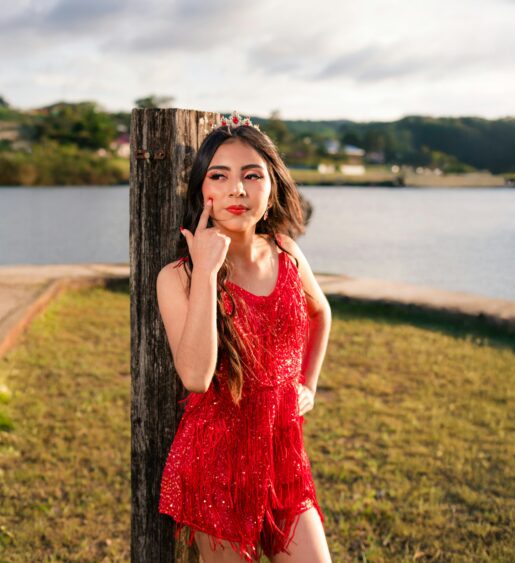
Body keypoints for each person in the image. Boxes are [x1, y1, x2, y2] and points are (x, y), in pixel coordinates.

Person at [155, 111, 333, 563]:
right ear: (204, 192)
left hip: (284, 452)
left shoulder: (287, 252)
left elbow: (320, 312)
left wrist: (307, 385)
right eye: (221, 175)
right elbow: (195, 375)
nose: (237, 189)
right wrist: (209, 273)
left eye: (252, 175)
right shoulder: (178, 277)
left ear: (271, 189)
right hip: (216, 467)